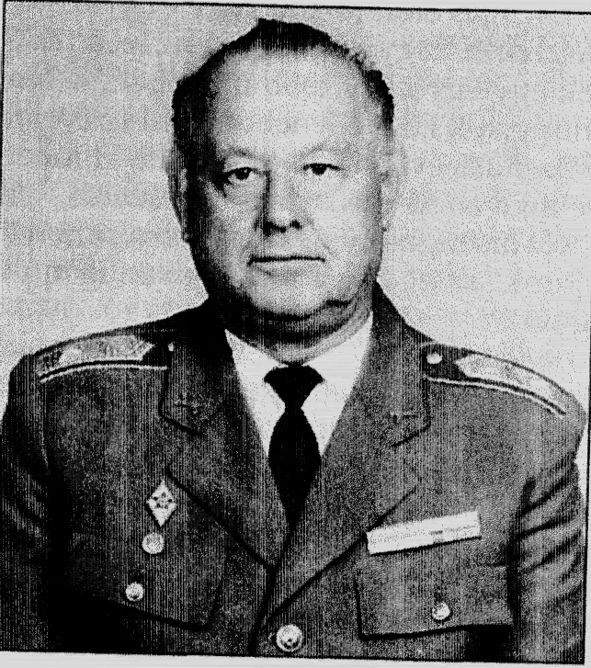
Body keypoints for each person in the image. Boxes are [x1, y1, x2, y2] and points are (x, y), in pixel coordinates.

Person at [0, 18, 585, 661]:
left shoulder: (515, 435)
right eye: (242, 174)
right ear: (183, 195)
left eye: (320, 168)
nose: (280, 213)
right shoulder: (71, 413)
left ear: (386, 188)